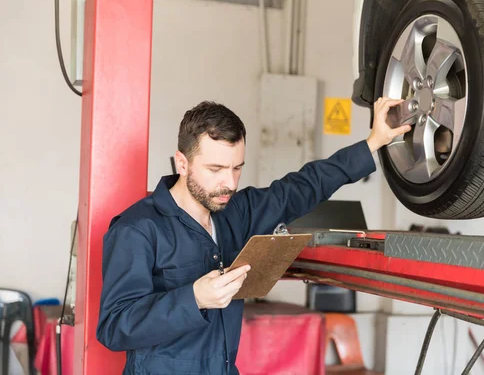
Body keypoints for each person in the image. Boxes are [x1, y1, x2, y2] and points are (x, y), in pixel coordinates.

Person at [96, 97, 411, 375]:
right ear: (183, 163)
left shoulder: (238, 211)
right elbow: (114, 328)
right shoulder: (137, 229)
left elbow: (304, 186)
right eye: (216, 168)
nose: (229, 183)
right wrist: (193, 299)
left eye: (236, 168)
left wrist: (372, 142)